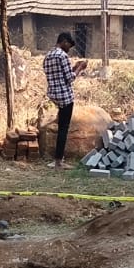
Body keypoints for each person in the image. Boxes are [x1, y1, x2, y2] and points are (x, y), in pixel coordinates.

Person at [42, 32, 87, 168]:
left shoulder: (48, 56)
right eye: (68, 45)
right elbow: (69, 78)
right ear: (64, 41)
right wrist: (80, 68)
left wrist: (74, 68)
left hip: (53, 94)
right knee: (63, 128)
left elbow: (59, 75)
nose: (69, 49)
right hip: (65, 97)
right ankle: (58, 161)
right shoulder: (63, 56)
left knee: (61, 126)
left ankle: (57, 159)